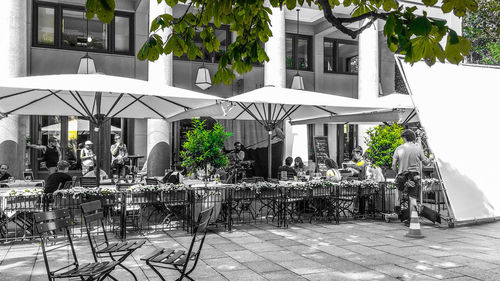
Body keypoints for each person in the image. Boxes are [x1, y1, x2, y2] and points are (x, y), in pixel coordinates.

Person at [392, 129, 434, 225]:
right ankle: (412, 219)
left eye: (403, 138)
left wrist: (397, 172)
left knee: (397, 192)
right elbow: (426, 163)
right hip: (414, 176)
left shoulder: (399, 149)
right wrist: (431, 158)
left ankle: (397, 211)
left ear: (405, 138)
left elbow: (393, 165)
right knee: (412, 198)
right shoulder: (418, 148)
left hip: (401, 175)